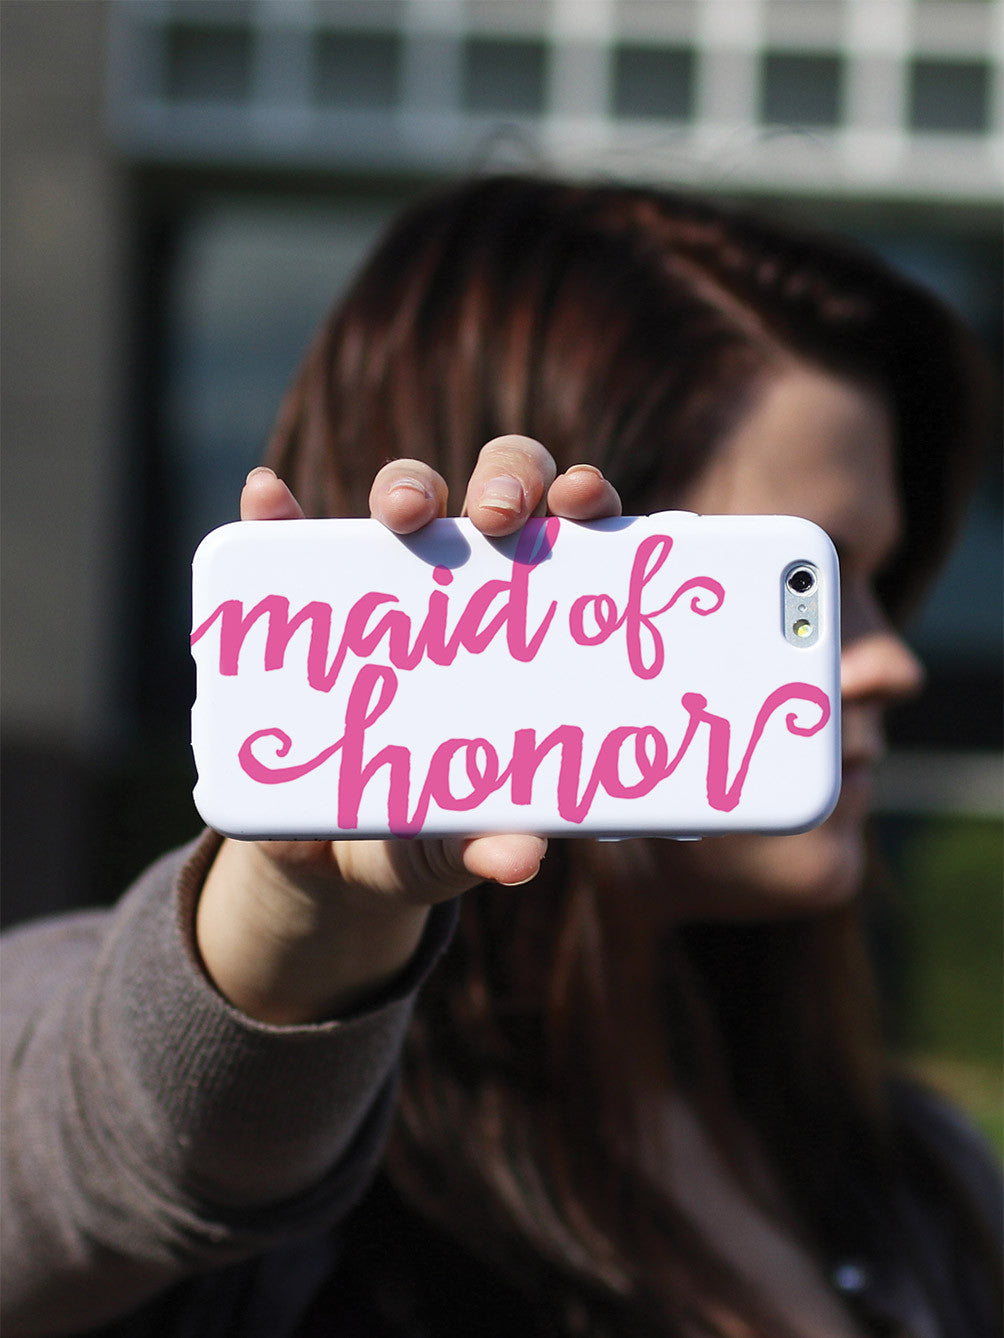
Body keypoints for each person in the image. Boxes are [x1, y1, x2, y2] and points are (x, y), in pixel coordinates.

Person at [2, 175, 999, 1338]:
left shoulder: (916, 1178)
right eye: (809, 575)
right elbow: (101, 1148)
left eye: (868, 583)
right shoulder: (290, 1228)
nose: (890, 662)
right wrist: (299, 907)